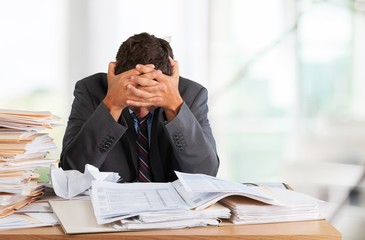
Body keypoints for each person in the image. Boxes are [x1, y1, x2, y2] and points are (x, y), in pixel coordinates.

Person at [60, 32, 219, 182]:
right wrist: (112, 105)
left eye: (151, 101)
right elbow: (72, 172)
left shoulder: (191, 95)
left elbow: (206, 175)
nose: (142, 111)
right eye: (134, 99)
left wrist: (175, 107)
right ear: (114, 75)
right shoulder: (91, 91)